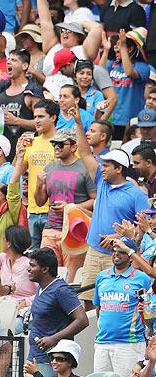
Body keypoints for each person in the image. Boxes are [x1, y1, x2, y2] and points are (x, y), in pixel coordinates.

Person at [72, 104, 150, 306]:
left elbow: (147, 227)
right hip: (94, 251)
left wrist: (118, 236)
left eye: (106, 165)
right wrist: (79, 123)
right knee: (88, 300)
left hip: (120, 255)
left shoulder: (135, 194)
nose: (102, 168)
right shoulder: (102, 181)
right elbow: (84, 152)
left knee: (112, 302)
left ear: (119, 169)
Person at [34, 128, 96, 282]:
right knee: (45, 275)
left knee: (70, 278)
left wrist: (70, 207)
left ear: (74, 147)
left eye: (61, 144)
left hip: (74, 229)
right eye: (54, 143)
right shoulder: (49, 168)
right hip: (50, 229)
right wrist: (38, 184)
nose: (56, 147)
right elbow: (40, 201)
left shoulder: (85, 169)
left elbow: (95, 201)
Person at [93, 235, 151, 375]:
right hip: (103, 342)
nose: (116, 254)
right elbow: (98, 308)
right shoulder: (102, 277)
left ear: (131, 256)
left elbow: (148, 309)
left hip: (129, 343)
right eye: (114, 250)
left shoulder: (140, 278)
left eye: (122, 251)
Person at [27, 248, 88, 377]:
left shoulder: (61, 290)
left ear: (45, 269)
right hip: (35, 356)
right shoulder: (41, 287)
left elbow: (82, 320)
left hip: (52, 360)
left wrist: (54, 339)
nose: (29, 269)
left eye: (33, 266)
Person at [0, 49, 43, 158]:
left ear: (24, 66)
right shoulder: (1, 88)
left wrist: (16, 121)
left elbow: (41, 124)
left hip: (25, 151)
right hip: (1, 151)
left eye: (14, 60)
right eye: (8, 59)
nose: (8, 62)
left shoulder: (33, 91)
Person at [23, 99, 57, 249]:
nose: (36, 120)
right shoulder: (31, 142)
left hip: (55, 211)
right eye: (35, 116)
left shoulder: (64, 142)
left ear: (53, 117)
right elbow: (18, 171)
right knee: (32, 259)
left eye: (41, 116)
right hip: (33, 209)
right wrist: (19, 153)